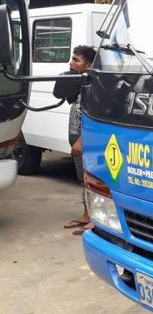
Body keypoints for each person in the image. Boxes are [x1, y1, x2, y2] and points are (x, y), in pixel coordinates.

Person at [62, 45, 95, 234]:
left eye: (76, 60)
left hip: (86, 141)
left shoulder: (94, 85)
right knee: (83, 179)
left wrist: (82, 140)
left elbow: (95, 114)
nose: (71, 62)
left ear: (89, 65)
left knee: (93, 179)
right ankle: (86, 215)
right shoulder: (79, 82)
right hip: (76, 139)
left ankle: (96, 219)